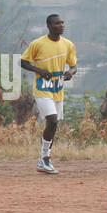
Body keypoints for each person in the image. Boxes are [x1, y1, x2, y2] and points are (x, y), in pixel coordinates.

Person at [20, 14, 77, 174]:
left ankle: (44, 159)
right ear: (49, 26)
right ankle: (45, 158)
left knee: (54, 123)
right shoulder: (38, 44)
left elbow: (74, 66)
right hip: (42, 88)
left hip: (57, 89)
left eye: (63, 23)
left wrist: (70, 73)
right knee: (51, 119)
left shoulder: (68, 44)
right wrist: (39, 70)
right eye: (58, 23)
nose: (62, 25)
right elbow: (24, 62)